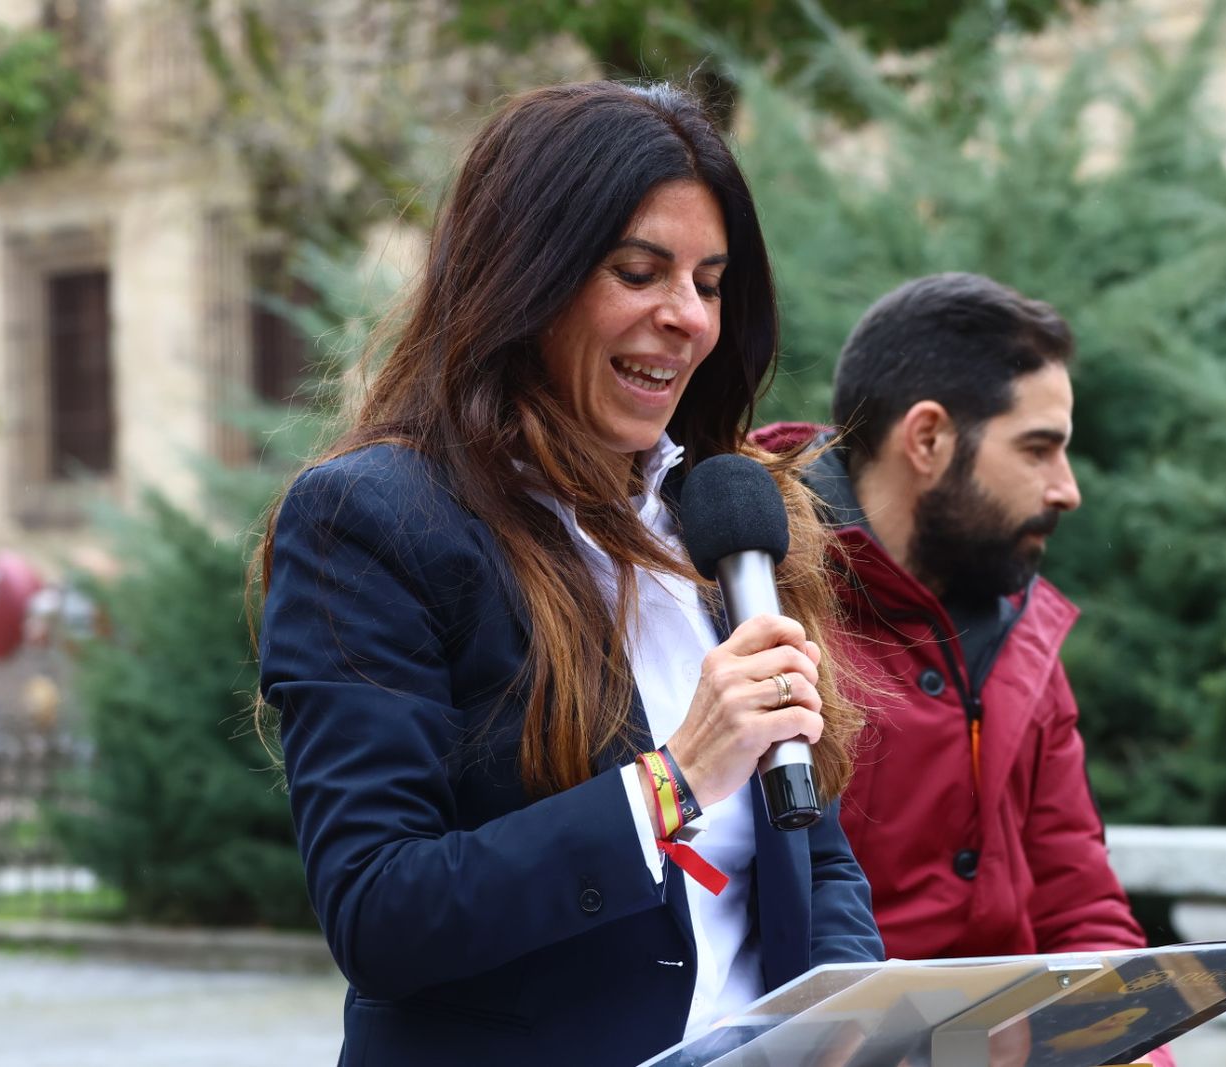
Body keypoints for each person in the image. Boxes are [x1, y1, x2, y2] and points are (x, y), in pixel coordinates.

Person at [255, 81, 883, 1066]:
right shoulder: (378, 518)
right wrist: (672, 782)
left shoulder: (723, 519)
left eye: (709, 283)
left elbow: (817, 850)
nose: (687, 318)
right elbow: (379, 910)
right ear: (526, 277)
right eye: (640, 271)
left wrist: (850, 1019)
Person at [754, 273, 1174, 1066]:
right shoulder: (761, 606)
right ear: (929, 439)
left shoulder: (1026, 631)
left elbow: (1079, 907)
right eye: (1038, 448)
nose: (1068, 489)